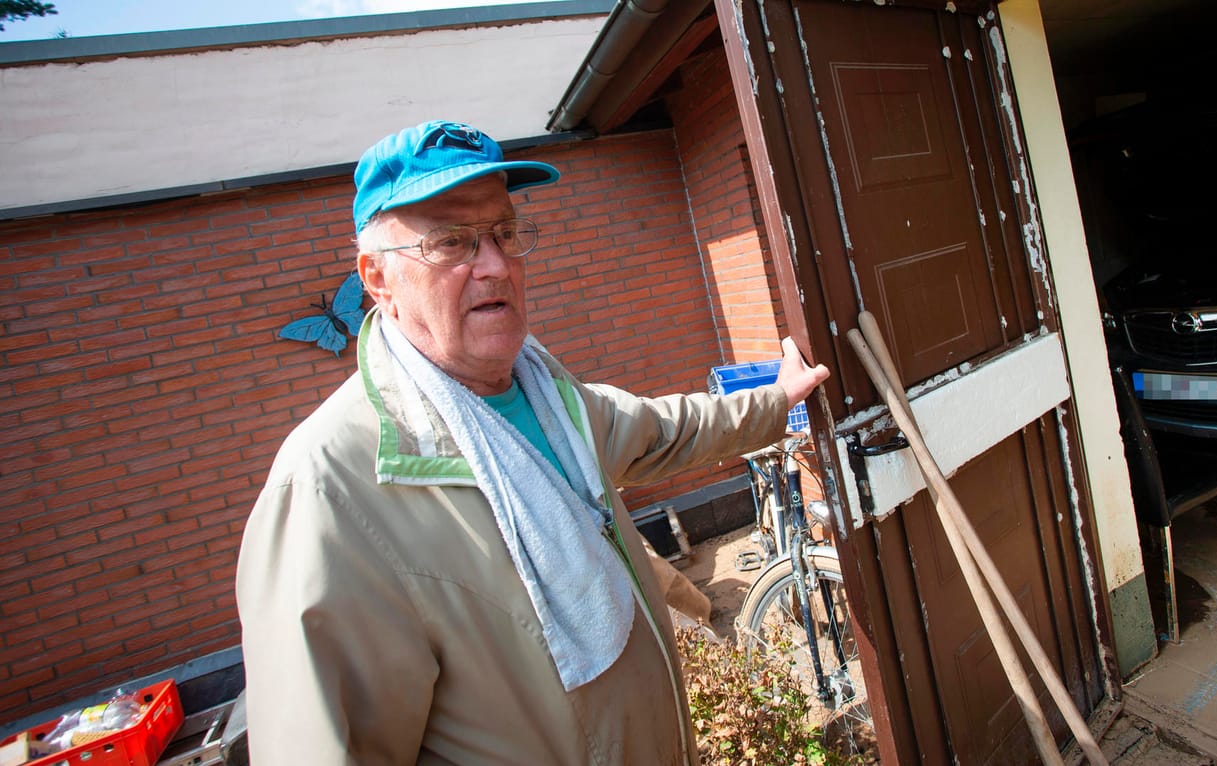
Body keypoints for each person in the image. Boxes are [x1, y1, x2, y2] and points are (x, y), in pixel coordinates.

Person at [235, 119, 830, 765]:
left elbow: (666, 430)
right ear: (377, 279)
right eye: (451, 242)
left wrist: (778, 399)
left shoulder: (549, 395)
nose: (494, 265)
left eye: (505, 233)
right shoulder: (331, 485)